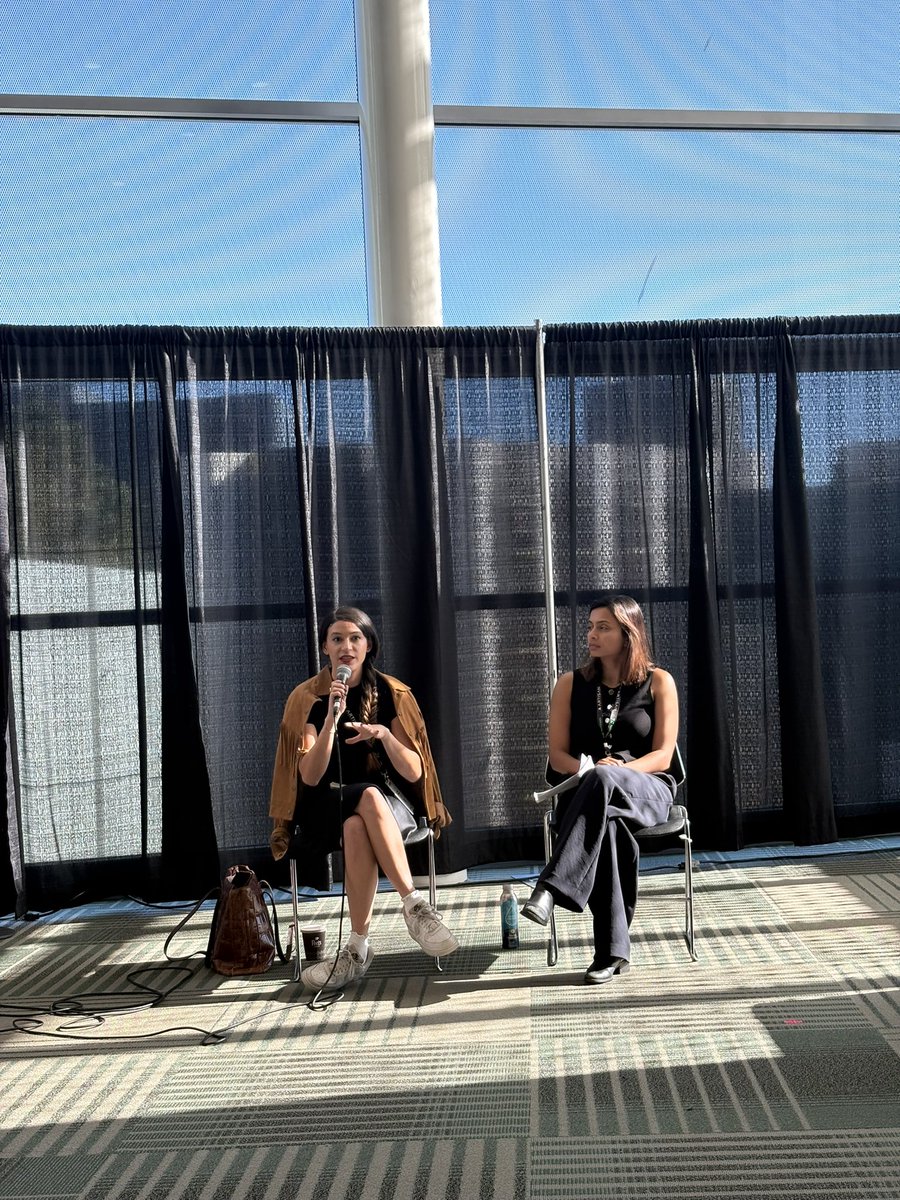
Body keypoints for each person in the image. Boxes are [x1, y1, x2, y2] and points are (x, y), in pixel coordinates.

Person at [269, 605, 458, 990]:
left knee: (359, 824)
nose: (346, 646)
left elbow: (413, 772)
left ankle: (356, 948)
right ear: (325, 647)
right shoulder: (308, 698)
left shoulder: (390, 692)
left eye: (355, 638)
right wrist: (330, 723)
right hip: (324, 805)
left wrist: (384, 737)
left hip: (380, 810)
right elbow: (309, 774)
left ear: (368, 645)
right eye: (337, 638)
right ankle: (414, 905)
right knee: (366, 798)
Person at [521, 594, 679, 984]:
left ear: (628, 634)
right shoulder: (570, 684)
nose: (591, 635)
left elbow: (662, 755)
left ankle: (550, 888)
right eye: (590, 626)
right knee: (606, 823)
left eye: (602, 627)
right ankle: (611, 952)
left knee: (606, 779)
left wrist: (619, 770)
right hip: (588, 797)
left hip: (648, 789)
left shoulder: (659, 682)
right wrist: (594, 773)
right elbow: (558, 758)